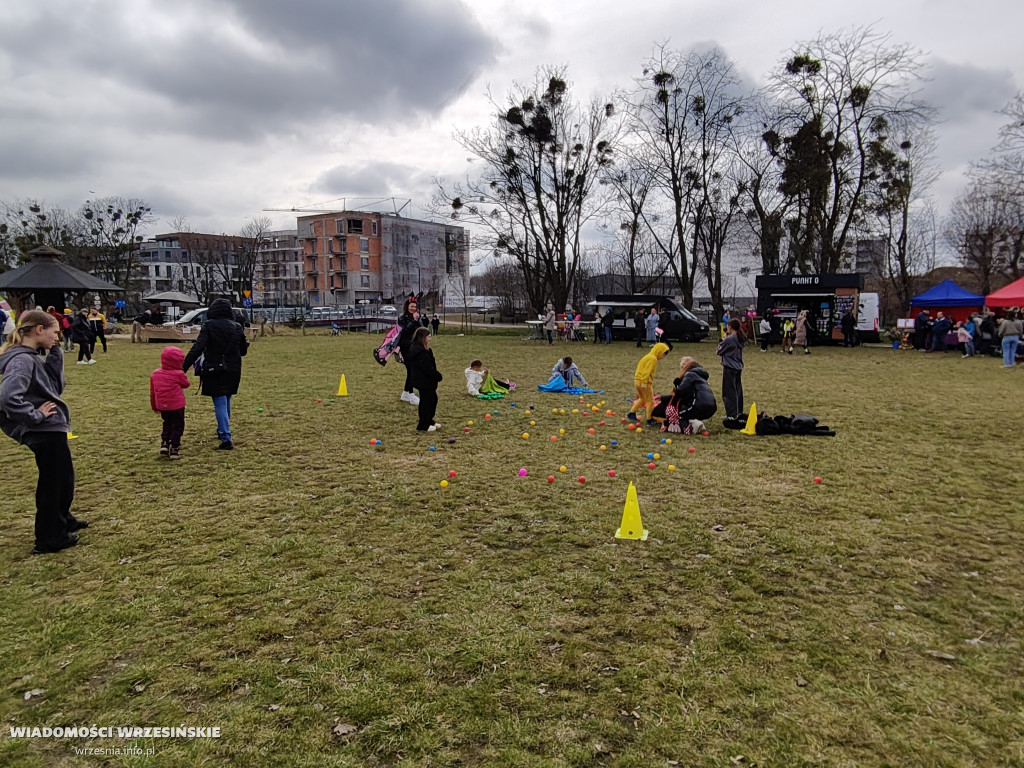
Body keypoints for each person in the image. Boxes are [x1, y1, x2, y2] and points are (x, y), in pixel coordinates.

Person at [0, 309, 88, 554]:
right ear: (39, 330)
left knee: (63, 479)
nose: (57, 337)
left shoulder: (32, 357)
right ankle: (49, 537)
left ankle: (62, 519)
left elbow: (54, 387)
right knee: (52, 482)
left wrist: (56, 353)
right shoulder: (21, 360)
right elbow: (8, 398)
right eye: (55, 333)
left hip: (52, 429)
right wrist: (35, 415)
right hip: (43, 430)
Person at [182, 298, 249, 450]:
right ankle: (222, 430)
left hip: (214, 368)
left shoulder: (209, 326)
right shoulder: (237, 327)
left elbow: (198, 347)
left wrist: (184, 366)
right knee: (227, 398)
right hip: (233, 369)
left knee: (219, 401)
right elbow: (243, 351)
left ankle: (225, 436)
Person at [651, 356, 718, 434]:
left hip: (698, 406)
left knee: (676, 414)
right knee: (683, 410)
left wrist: (665, 399)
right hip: (711, 408)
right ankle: (692, 421)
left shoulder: (690, 375)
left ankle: (691, 426)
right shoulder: (701, 378)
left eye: (683, 367)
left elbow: (681, 392)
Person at [150, 346, 191, 460]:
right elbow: (186, 384)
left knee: (166, 423)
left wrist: (154, 405)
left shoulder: (155, 374)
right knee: (177, 426)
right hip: (176, 406)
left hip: (162, 405)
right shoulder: (178, 374)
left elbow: (152, 392)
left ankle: (165, 442)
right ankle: (174, 447)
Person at [406, 327, 442, 431]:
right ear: (423, 338)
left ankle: (429, 420)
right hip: (424, 381)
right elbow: (427, 368)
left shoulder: (425, 351)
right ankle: (423, 425)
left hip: (427, 381)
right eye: (428, 336)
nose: (430, 338)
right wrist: (437, 375)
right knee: (426, 402)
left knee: (433, 400)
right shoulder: (420, 353)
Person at [627, 342, 670, 426]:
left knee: (642, 398)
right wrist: (644, 382)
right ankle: (649, 419)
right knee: (650, 401)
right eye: (663, 355)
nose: (662, 357)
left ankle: (631, 413)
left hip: (637, 380)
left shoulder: (647, 356)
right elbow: (647, 371)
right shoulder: (653, 359)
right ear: (659, 351)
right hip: (644, 382)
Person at [717, 318, 745, 421]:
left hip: (729, 367)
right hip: (738, 367)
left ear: (730, 327)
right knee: (737, 390)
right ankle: (738, 412)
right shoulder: (739, 338)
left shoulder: (730, 339)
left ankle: (732, 414)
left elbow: (719, 351)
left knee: (729, 392)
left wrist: (724, 339)